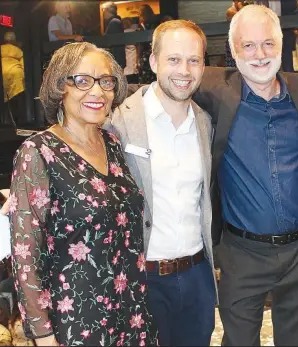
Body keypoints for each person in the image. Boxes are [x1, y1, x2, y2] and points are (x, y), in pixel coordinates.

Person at [8, 42, 157, 346]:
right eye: (82, 80)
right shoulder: (38, 152)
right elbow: (25, 258)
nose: (97, 91)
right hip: (76, 323)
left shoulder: (112, 144)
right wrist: (43, 336)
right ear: (59, 87)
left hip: (132, 315)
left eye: (105, 81)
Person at [193, 5, 298, 345]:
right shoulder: (213, 91)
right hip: (242, 253)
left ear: (281, 46)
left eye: (268, 44)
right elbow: (167, 81)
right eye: (248, 45)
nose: (259, 54)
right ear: (234, 51)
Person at [105, 20, 217, 346]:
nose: (184, 70)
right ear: (153, 62)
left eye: (194, 60)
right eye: (174, 59)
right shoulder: (119, 123)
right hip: (145, 278)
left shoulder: (205, 123)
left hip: (197, 276)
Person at [102, 2, 126, 69]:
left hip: (116, 61)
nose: (103, 12)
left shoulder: (114, 22)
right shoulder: (115, 21)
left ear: (107, 10)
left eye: (103, 10)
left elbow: (111, 42)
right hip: (116, 61)